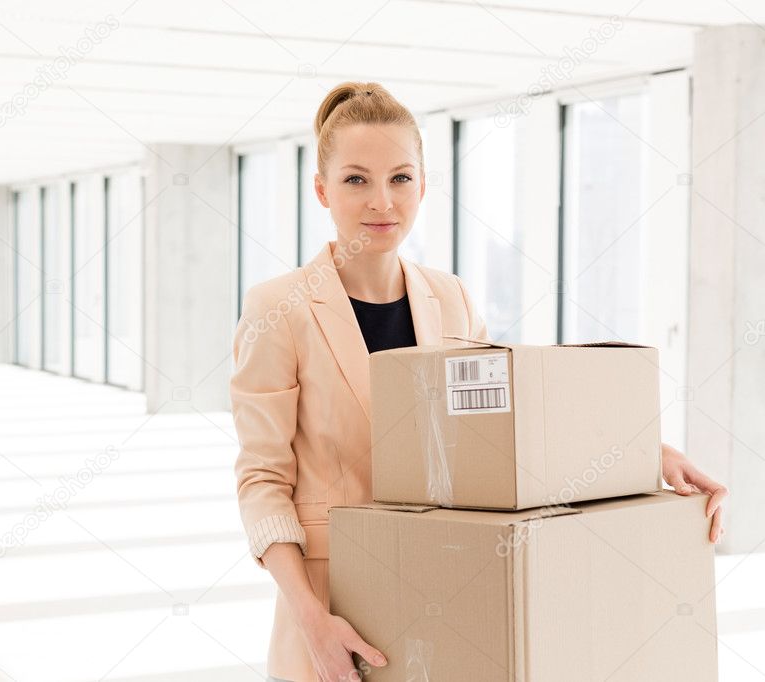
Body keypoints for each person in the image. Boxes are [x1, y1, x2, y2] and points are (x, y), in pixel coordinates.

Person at [229, 81, 728, 682]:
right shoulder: (277, 309)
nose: (381, 201)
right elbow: (261, 480)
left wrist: (647, 455)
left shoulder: (452, 298)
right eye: (356, 179)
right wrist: (310, 618)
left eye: (401, 177)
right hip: (333, 609)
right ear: (322, 189)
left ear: (423, 184)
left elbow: (508, 432)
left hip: (449, 584)